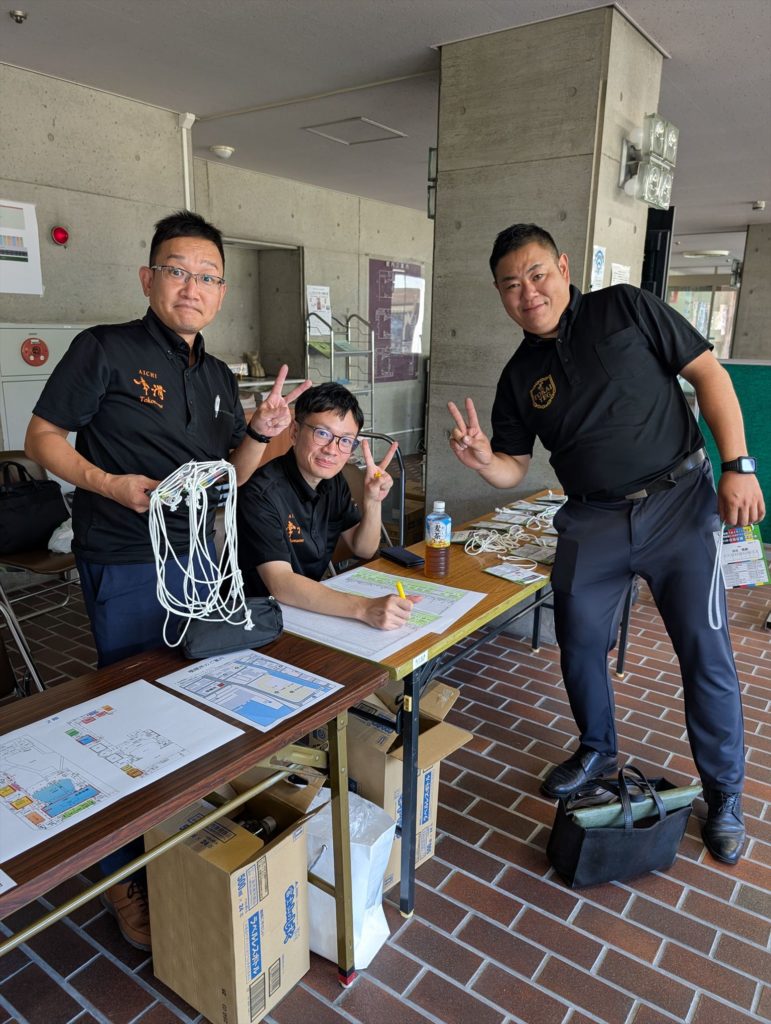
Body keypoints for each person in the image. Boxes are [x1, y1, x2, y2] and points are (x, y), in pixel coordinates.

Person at [24, 209, 310, 949]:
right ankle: (123, 877)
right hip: (125, 557)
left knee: (193, 696)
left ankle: (178, 837)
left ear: (221, 292)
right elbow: (41, 438)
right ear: (148, 278)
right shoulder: (105, 350)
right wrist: (108, 483)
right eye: (177, 271)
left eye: (207, 276)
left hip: (200, 562)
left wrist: (260, 433)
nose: (192, 286)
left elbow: (229, 479)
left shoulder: (215, 376)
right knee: (126, 712)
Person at [448, 222, 765, 867]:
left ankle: (724, 792)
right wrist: (484, 461)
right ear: (500, 295)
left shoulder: (625, 307)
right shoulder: (519, 375)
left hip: (680, 504)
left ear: (564, 268)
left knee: (705, 652)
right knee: (580, 640)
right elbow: (513, 465)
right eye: (510, 285)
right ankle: (597, 747)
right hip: (591, 520)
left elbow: (709, 375)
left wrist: (738, 465)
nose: (528, 292)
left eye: (537, 274)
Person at [237, 382, 418, 629]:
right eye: (322, 433)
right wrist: (363, 608)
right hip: (255, 620)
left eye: (345, 440)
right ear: (294, 432)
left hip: (307, 611)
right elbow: (281, 583)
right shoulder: (260, 493)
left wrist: (373, 501)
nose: (332, 450)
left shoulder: (332, 482)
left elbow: (363, 548)